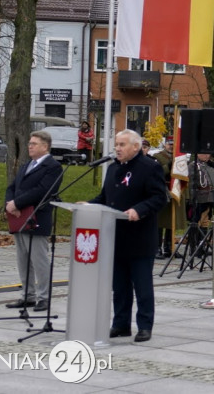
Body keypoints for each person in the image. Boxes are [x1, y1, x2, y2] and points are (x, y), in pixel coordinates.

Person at [89, 129, 168, 343]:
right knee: (120, 287)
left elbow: (160, 197)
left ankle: (144, 326)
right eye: (116, 144)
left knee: (142, 286)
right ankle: (121, 324)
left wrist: (138, 210)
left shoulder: (150, 167)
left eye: (122, 144)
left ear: (136, 146)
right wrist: (87, 206)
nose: (117, 148)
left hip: (140, 238)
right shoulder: (113, 168)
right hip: (115, 237)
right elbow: (106, 198)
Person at [4, 130, 62, 312]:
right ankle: (27, 296)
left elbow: (42, 190)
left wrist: (17, 202)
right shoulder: (27, 165)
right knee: (23, 259)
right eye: (30, 143)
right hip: (19, 216)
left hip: (37, 217)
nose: (29, 146)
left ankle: (43, 297)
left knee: (39, 260)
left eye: (34, 143)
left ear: (45, 147)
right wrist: (9, 203)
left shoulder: (53, 167)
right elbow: (13, 186)